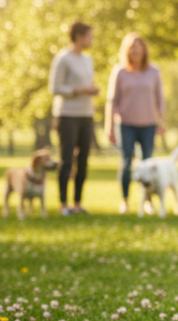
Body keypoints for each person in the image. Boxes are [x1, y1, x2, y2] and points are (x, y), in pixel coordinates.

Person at [105, 33, 166, 215]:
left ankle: (147, 201)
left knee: (148, 163)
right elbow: (112, 100)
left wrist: (161, 121)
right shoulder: (120, 71)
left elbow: (160, 99)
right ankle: (124, 200)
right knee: (126, 162)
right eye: (132, 47)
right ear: (127, 51)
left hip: (148, 124)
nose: (135, 50)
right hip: (126, 124)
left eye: (139, 47)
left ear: (144, 50)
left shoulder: (154, 71)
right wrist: (109, 126)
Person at [49, 20, 99, 216]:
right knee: (66, 159)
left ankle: (77, 203)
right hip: (67, 115)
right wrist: (79, 90)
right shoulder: (63, 59)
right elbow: (55, 88)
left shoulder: (88, 59)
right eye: (90, 36)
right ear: (79, 37)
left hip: (86, 114)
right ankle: (63, 204)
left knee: (84, 159)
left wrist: (91, 91)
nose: (91, 40)